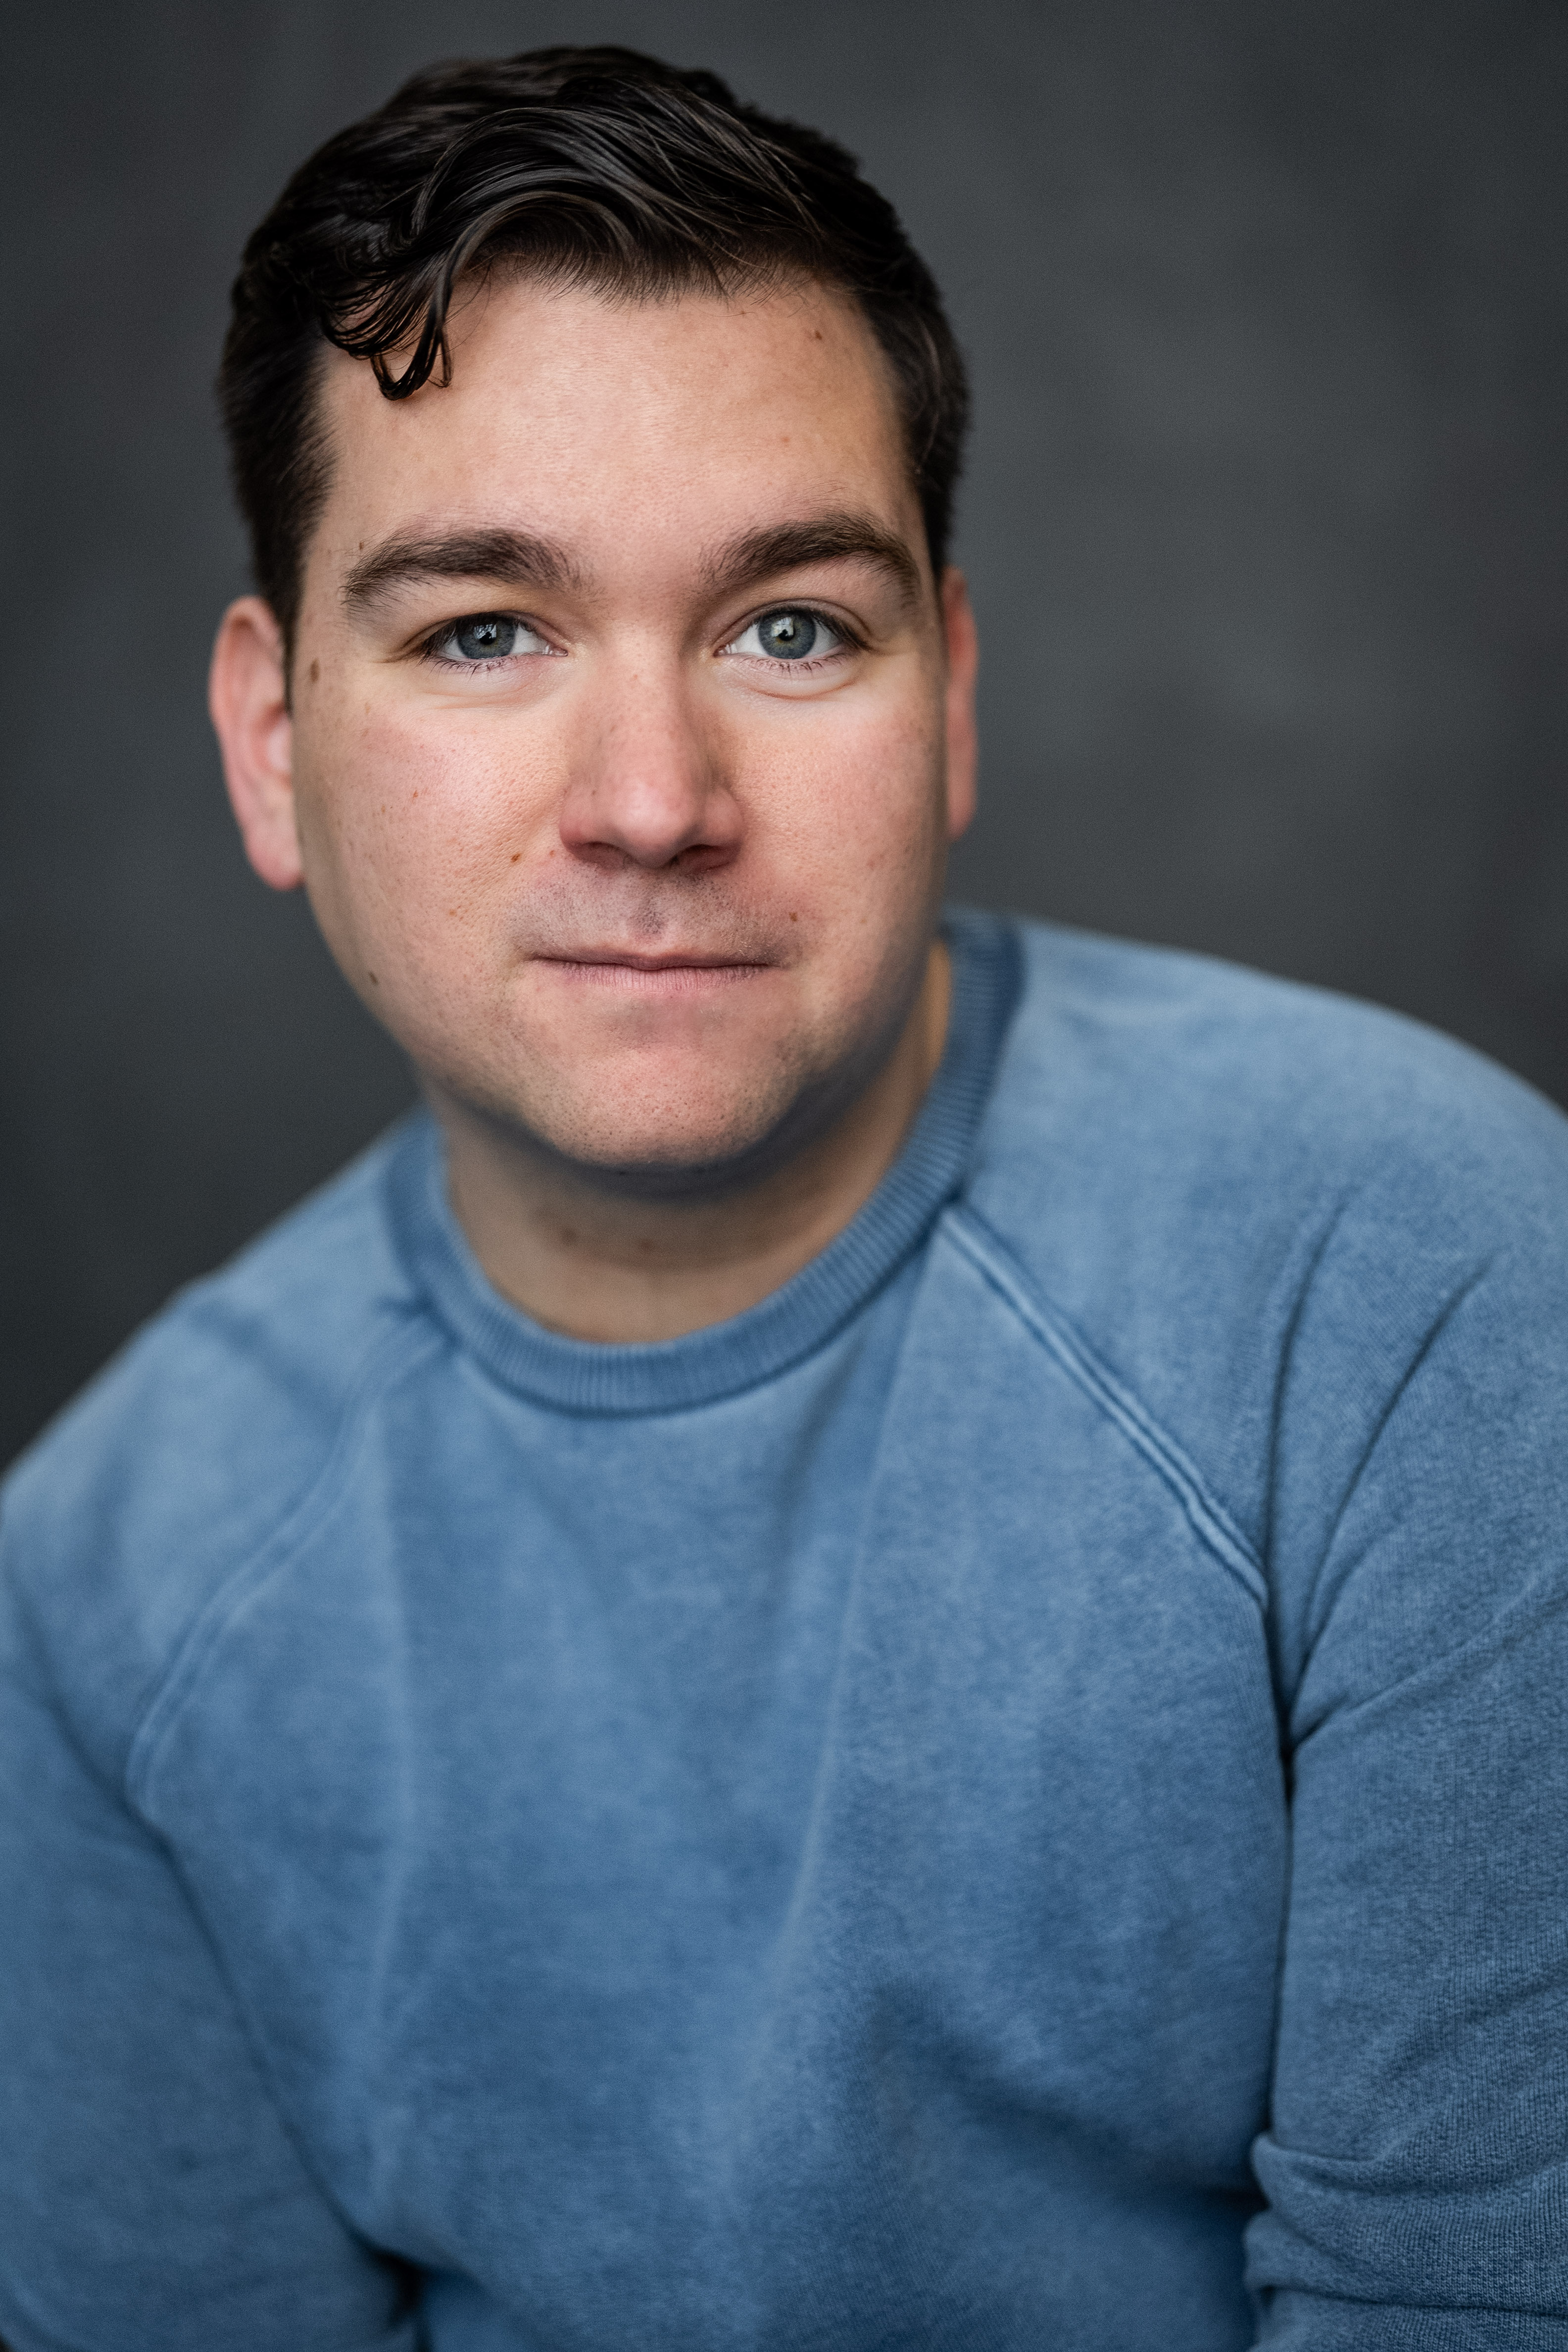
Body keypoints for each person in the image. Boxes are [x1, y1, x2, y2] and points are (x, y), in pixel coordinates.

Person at [2, 44, 1566, 2352]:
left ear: (951, 698)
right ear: (273, 742)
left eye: (791, 628)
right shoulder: (104, 1596)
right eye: (483, 631)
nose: (652, 800)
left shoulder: (1422, 1281)